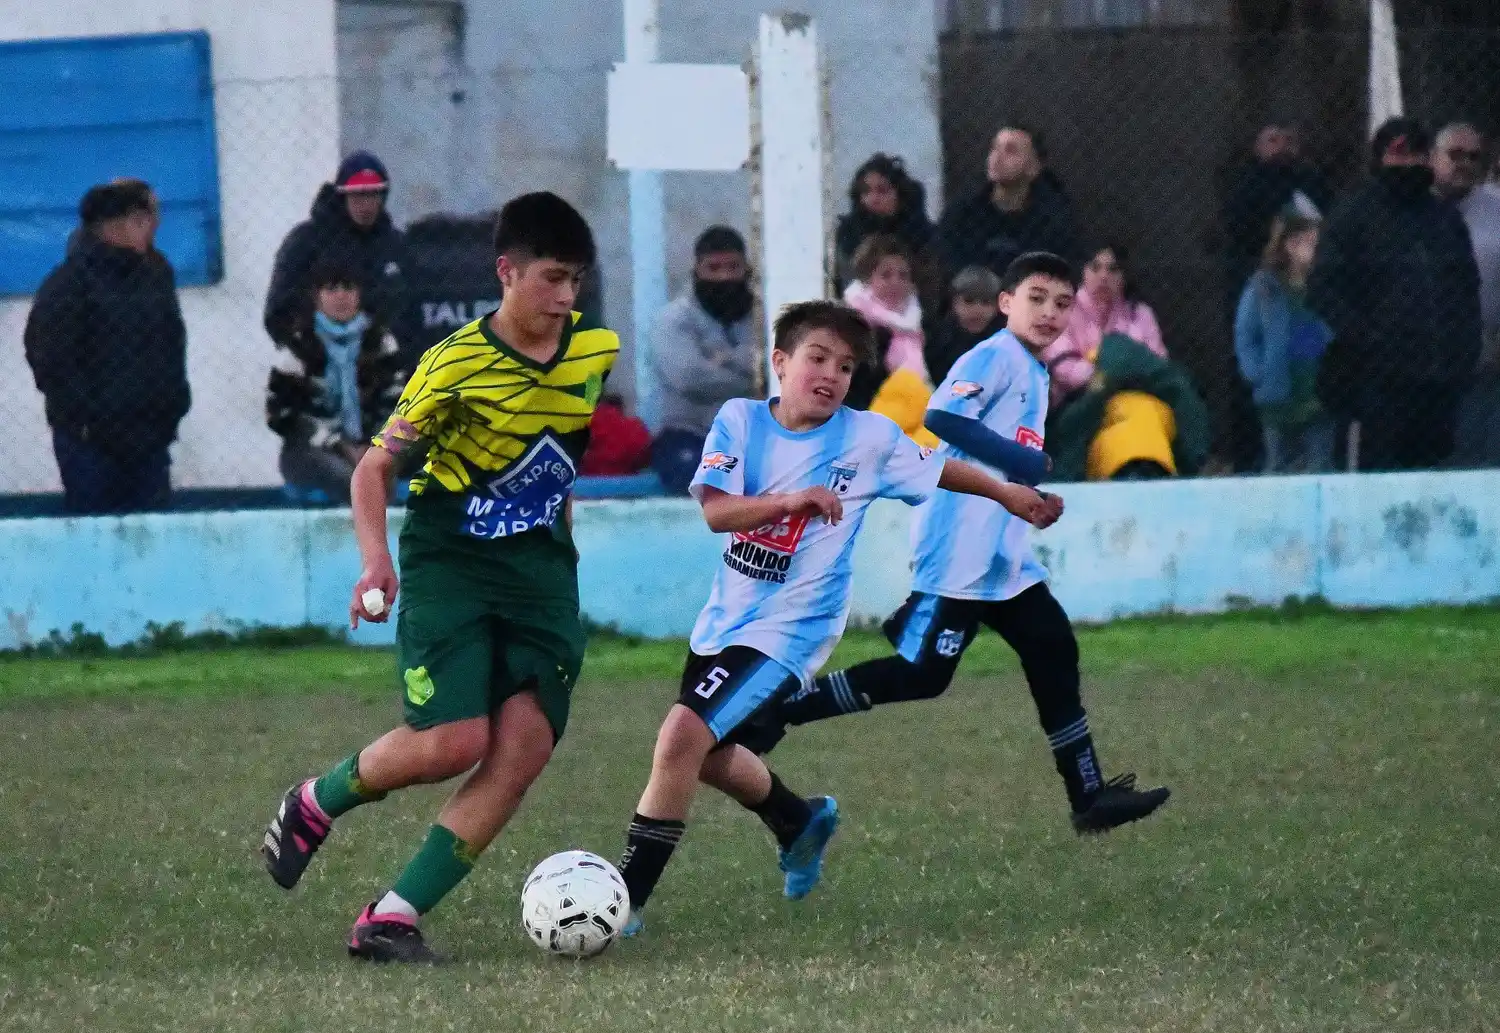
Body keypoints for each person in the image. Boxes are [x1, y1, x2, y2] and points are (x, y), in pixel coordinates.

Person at [613, 300, 1064, 936]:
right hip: (727, 620)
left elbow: (938, 468)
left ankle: (621, 902)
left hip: (795, 631)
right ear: (780, 363)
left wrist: (1010, 492)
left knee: (680, 738)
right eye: (817, 358)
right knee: (709, 756)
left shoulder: (869, 438)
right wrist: (793, 499)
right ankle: (798, 821)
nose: (831, 374)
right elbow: (716, 512)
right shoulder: (739, 421)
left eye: (846, 366)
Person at [259, 192, 619, 964]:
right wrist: (375, 562)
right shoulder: (454, 363)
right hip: (451, 560)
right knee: (452, 741)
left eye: (576, 281)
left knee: (520, 751)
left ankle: (389, 917)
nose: (565, 297)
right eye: (552, 277)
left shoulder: (594, 351)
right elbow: (373, 467)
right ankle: (317, 798)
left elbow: (555, 457)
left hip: (542, 573)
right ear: (507, 272)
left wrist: (552, 540)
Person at [771, 253, 1171, 834]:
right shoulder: (995, 355)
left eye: (1063, 303)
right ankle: (785, 705)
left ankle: (1090, 797)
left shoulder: (1035, 370)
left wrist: (1032, 497)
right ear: (1006, 302)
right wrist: (1020, 461)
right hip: (960, 552)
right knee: (923, 675)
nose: (1050, 312)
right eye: (1036, 297)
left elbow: (1000, 456)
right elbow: (944, 416)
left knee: (1053, 648)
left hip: (1003, 558)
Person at [1308, 118, 1483, 471]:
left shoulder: (1444, 220)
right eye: (1398, 154)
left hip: (1438, 384)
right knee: (1374, 483)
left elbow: (1466, 289)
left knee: (1433, 479)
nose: (1407, 165)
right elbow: (1323, 290)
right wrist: (1369, 341)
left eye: (1416, 154)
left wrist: (1463, 350)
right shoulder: (1353, 217)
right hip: (1375, 387)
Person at [24, 180, 190, 515]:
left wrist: (171, 407)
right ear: (114, 225)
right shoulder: (68, 284)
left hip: (150, 438)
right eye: (145, 218)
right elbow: (49, 359)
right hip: (91, 446)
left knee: (153, 536)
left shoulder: (156, 275)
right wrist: (87, 423)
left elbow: (172, 345)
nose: (154, 225)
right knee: (94, 534)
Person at [266, 262, 409, 503]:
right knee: (352, 480)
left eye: (348, 288)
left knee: (388, 472)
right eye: (331, 289)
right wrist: (339, 445)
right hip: (312, 450)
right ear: (317, 297)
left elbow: (401, 405)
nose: (341, 296)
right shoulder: (298, 347)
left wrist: (377, 446)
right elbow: (281, 416)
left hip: (374, 444)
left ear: (359, 295)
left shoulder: (380, 342)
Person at [264, 151, 413, 359]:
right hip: (316, 359)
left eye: (373, 195)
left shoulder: (396, 245)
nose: (366, 205)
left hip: (383, 362)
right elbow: (278, 310)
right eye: (358, 195)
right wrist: (313, 343)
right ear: (342, 196)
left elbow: (413, 309)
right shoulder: (307, 242)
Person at [650, 226, 758, 494]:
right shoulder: (673, 320)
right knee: (702, 481)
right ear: (697, 270)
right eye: (714, 268)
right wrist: (753, 374)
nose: (724, 277)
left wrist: (725, 358)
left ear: (746, 270)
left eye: (733, 267)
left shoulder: (764, 315)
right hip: (690, 435)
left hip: (753, 436)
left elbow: (781, 367)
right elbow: (689, 378)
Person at [1234, 213, 1334, 474]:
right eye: (1311, 244)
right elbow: (1245, 333)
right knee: (1278, 465)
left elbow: (1331, 325)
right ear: (1290, 245)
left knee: (1319, 464)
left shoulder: (1322, 284)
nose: (1317, 252)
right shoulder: (1263, 287)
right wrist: (1257, 372)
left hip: (1316, 392)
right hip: (1277, 393)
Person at [1432, 122, 1500, 467]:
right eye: (1454, 155)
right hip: (1422, 360)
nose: (1464, 164)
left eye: (1473, 157)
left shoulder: (1496, 208)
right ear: (1432, 158)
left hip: (1485, 358)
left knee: (1482, 459)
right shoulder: (1409, 209)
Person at [937, 125, 1078, 278]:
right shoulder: (963, 211)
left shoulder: (1053, 218)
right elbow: (947, 263)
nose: (997, 157)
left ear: (1034, 167)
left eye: (1010, 151)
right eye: (994, 148)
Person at [1042, 242, 1166, 410]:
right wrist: (1104, 381)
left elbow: (1159, 362)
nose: (1103, 276)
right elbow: (1062, 363)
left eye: (1113, 269)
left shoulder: (1140, 314)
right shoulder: (1063, 308)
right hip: (1078, 400)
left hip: (1135, 398)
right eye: (1095, 268)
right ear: (1083, 271)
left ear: (1124, 276)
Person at [834, 153, 941, 312]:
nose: (873, 198)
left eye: (882, 191)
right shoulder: (848, 235)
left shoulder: (922, 235)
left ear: (900, 194)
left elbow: (931, 286)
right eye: (866, 192)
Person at [926, 266, 1003, 385]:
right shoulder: (937, 341)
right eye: (969, 301)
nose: (977, 310)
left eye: (986, 302)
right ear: (954, 302)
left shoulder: (1005, 342)